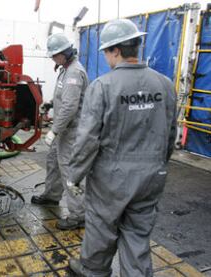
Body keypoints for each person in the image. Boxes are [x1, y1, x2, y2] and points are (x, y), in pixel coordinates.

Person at [67, 19, 177, 276]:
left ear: (116, 50)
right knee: (138, 233)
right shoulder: (164, 84)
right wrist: (159, 164)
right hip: (152, 176)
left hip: (111, 178)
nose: (106, 57)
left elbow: (87, 139)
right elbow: (170, 133)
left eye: (106, 51)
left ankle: (93, 271)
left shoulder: (103, 87)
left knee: (101, 227)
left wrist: (75, 175)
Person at [31, 33, 89, 230]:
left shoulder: (74, 73)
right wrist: (49, 104)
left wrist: (54, 131)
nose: (52, 59)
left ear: (64, 53)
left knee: (71, 173)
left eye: (54, 55)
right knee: (53, 162)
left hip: (71, 133)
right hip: (64, 130)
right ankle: (52, 195)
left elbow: (70, 107)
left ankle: (79, 215)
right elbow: (63, 98)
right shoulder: (65, 69)